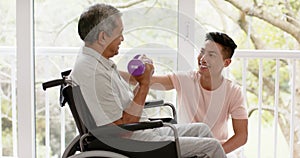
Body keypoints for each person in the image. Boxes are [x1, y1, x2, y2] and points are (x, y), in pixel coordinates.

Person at [71, 3, 226, 158]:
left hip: (139, 131)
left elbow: (127, 108)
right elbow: (122, 130)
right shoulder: (93, 73)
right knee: (211, 147)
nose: (122, 38)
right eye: (120, 33)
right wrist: (145, 84)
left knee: (202, 130)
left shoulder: (96, 62)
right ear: (103, 36)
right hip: (134, 140)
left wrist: (141, 80)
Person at [150, 32, 248, 154]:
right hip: (186, 148)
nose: (203, 59)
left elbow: (241, 136)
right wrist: (119, 72)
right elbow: (148, 81)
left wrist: (212, 153)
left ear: (226, 63)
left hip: (215, 150)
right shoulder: (185, 80)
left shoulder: (233, 91)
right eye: (202, 52)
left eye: (211, 55)